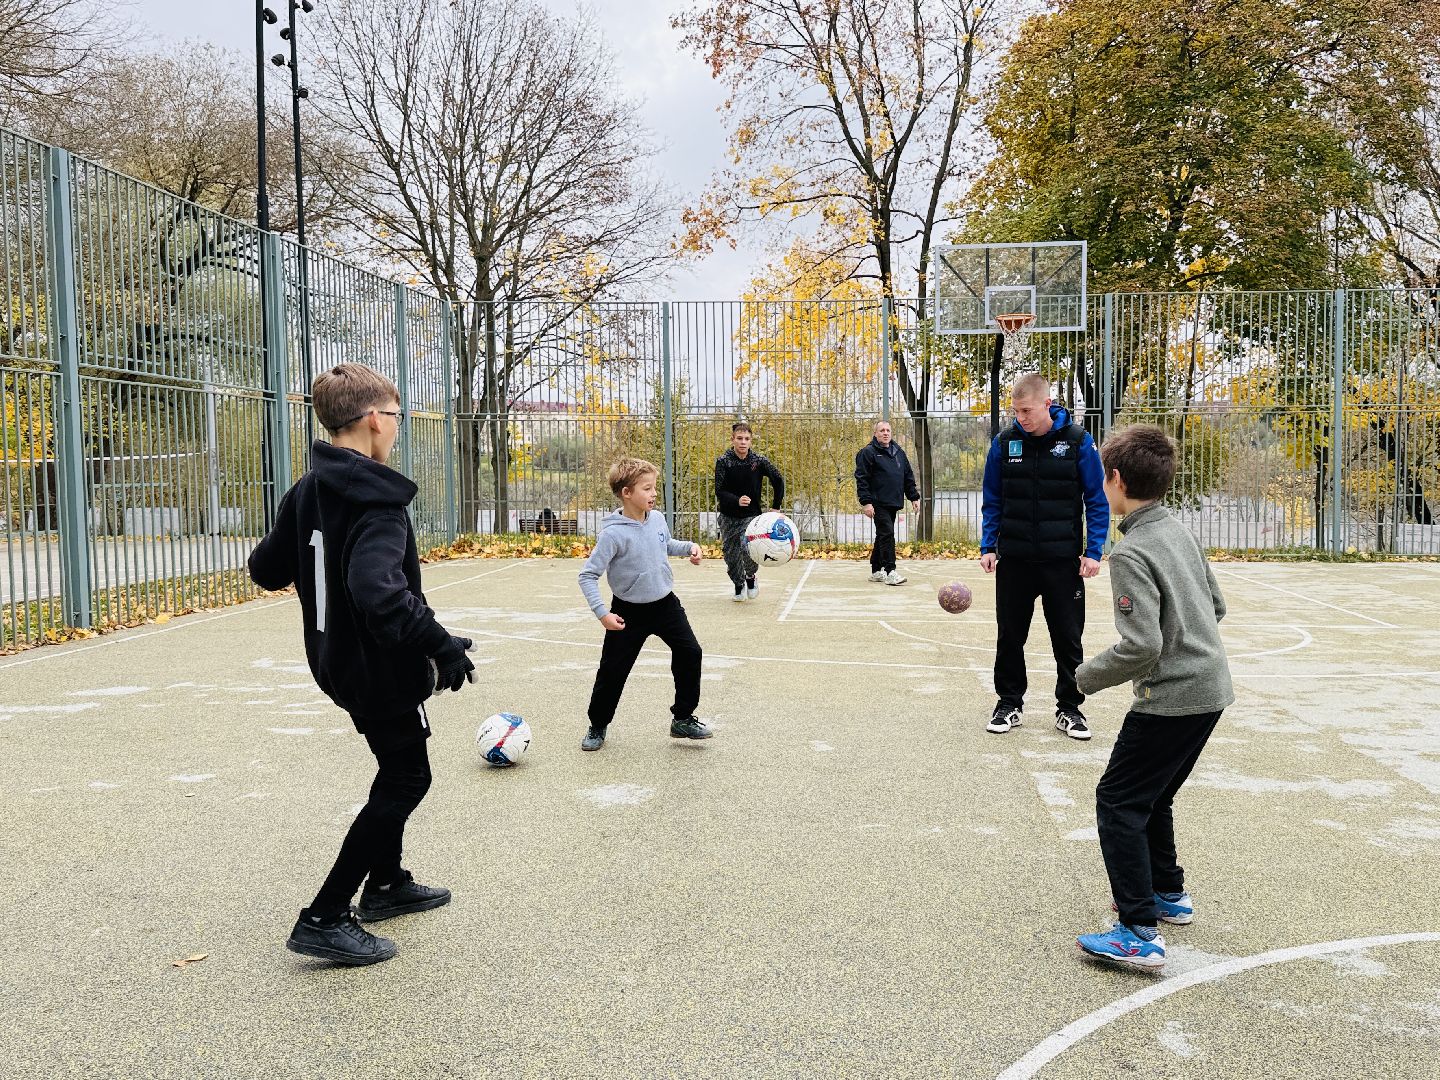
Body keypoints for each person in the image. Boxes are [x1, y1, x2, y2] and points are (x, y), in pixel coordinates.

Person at [247, 362, 476, 967]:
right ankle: (324, 916)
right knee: (407, 778)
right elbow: (379, 593)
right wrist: (440, 644)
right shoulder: (377, 501)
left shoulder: (308, 489)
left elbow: (265, 569)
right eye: (397, 416)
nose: (398, 427)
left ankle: (386, 883)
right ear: (374, 419)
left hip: (337, 662)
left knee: (395, 766)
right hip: (378, 671)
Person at [1073, 424, 1233, 970]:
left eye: (1103, 477)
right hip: (1212, 689)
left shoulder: (1132, 552)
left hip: (1173, 699)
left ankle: (1138, 929)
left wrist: (1083, 678)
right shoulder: (1178, 531)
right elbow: (1216, 606)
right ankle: (1167, 892)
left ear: (1116, 480)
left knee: (1117, 800)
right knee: (1154, 794)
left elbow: (1142, 646)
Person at [980, 374, 1108, 740]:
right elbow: (993, 498)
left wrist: (1093, 551)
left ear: (1047, 405)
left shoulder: (1078, 442)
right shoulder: (1004, 444)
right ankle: (1009, 704)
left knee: (1068, 639)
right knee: (1010, 637)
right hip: (1015, 560)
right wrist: (988, 546)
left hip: (1062, 561)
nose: (1021, 418)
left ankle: (1070, 708)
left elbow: (1096, 500)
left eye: (1027, 411)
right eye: (1016, 411)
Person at [577, 457, 710, 751]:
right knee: (612, 671)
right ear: (627, 493)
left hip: (665, 605)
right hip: (627, 612)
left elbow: (665, 544)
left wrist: (690, 547)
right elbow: (587, 576)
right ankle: (598, 724)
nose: (653, 494)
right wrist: (603, 614)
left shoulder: (657, 519)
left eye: (654, 488)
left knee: (691, 652)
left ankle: (683, 718)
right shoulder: (613, 534)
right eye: (647, 488)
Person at [714, 421, 785, 601]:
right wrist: (736, 500)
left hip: (752, 517)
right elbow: (719, 490)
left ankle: (751, 577)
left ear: (751, 441)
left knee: (748, 549)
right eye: (739, 438)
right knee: (731, 554)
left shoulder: (758, 461)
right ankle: (739, 585)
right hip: (728, 516)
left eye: (747, 439)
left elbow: (778, 479)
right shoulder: (723, 461)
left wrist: (776, 506)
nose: (743, 442)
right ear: (733, 439)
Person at [854, 420, 920, 585]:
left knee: (883, 535)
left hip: (893, 502)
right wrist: (866, 502)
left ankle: (876, 570)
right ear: (875, 433)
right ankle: (890, 571)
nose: (885, 433)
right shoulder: (868, 452)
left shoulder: (898, 452)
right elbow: (862, 479)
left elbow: (907, 476)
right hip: (878, 502)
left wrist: (913, 497)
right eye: (882, 430)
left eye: (888, 430)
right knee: (887, 534)